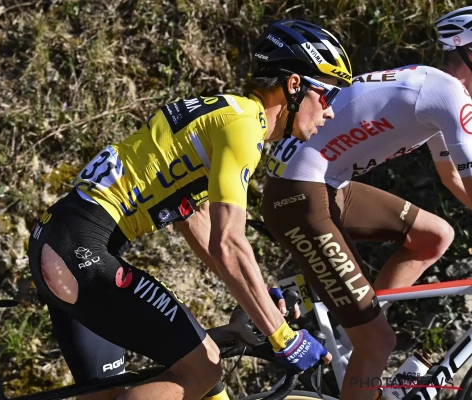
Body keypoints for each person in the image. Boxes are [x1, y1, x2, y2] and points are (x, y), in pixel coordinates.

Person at [27, 19, 352, 400]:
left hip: (57, 242)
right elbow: (228, 244)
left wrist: (259, 295)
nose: (330, 112)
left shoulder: (224, 113)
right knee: (204, 369)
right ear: (295, 85)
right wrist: (284, 338)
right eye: (328, 96)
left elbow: (196, 220)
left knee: (106, 394)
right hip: (84, 251)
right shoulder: (245, 128)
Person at [260, 6, 472, 400]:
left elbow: (453, 178)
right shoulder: (450, 94)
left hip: (324, 184)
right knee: (379, 343)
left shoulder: (437, 88)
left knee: (435, 236)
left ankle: (349, 342)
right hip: (300, 193)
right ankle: (364, 344)